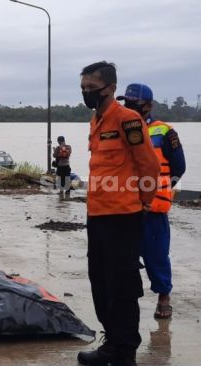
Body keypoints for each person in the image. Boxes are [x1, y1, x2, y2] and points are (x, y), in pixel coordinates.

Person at [78, 61, 160, 366]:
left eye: (91, 88)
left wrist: (145, 201)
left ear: (110, 89)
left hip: (124, 217)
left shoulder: (128, 120)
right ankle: (111, 343)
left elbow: (148, 165)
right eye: (83, 88)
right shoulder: (95, 120)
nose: (86, 93)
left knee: (122, 285)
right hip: (97, 214)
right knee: (99, 281)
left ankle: (125, 353)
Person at [117, 83, 186, 319]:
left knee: (156, 255)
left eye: (134, 104)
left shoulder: (164, 132)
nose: (129, 107)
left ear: (148, 105)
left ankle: (163, 295)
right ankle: (127, 299)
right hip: (125, 205)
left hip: (154, 209)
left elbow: (179, 168)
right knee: (124, 256)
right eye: (126, 103)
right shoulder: (120, 130)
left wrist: (161, 189)